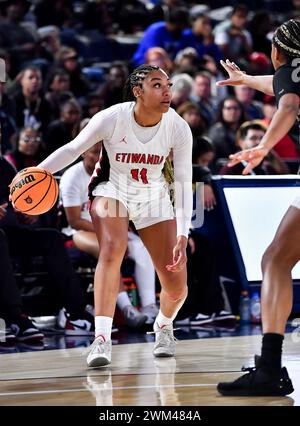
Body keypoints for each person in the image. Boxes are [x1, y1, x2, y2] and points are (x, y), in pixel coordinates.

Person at [35, 64, 193, 368]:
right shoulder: (112, 117)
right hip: (112, 189)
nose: (167, 92)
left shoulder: (177, 126)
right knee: (113, 249)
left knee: (176, 284)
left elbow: (185, 184)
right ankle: (102, 339)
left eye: (169, 85)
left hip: (153, 197)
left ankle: (162, 324)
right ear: (138, 91)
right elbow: (72, 149)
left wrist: (183, 233)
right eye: (158, 85)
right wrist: (37, 172)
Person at [216, 19, 300, 396]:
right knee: (274, 260)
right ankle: (269, 367)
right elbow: (284, 86)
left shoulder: (289, 76)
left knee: (275, 262)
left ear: (277, 52)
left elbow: (290, 102)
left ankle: (269, 369)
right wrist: (248, 80)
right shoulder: (290, 73)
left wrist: (264, 145)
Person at [59, 143, 156, 328]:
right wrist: (110, 233)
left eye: (102, 153)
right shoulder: (72, 177)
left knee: (140, 245)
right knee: (109, 248)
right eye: (95, 152)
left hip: (109, 229)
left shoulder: (112, 175)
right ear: (83, 153)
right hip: (78, 232)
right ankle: (127, 308)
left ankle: (149, 306)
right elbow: (74, 221)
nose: (99, 158)